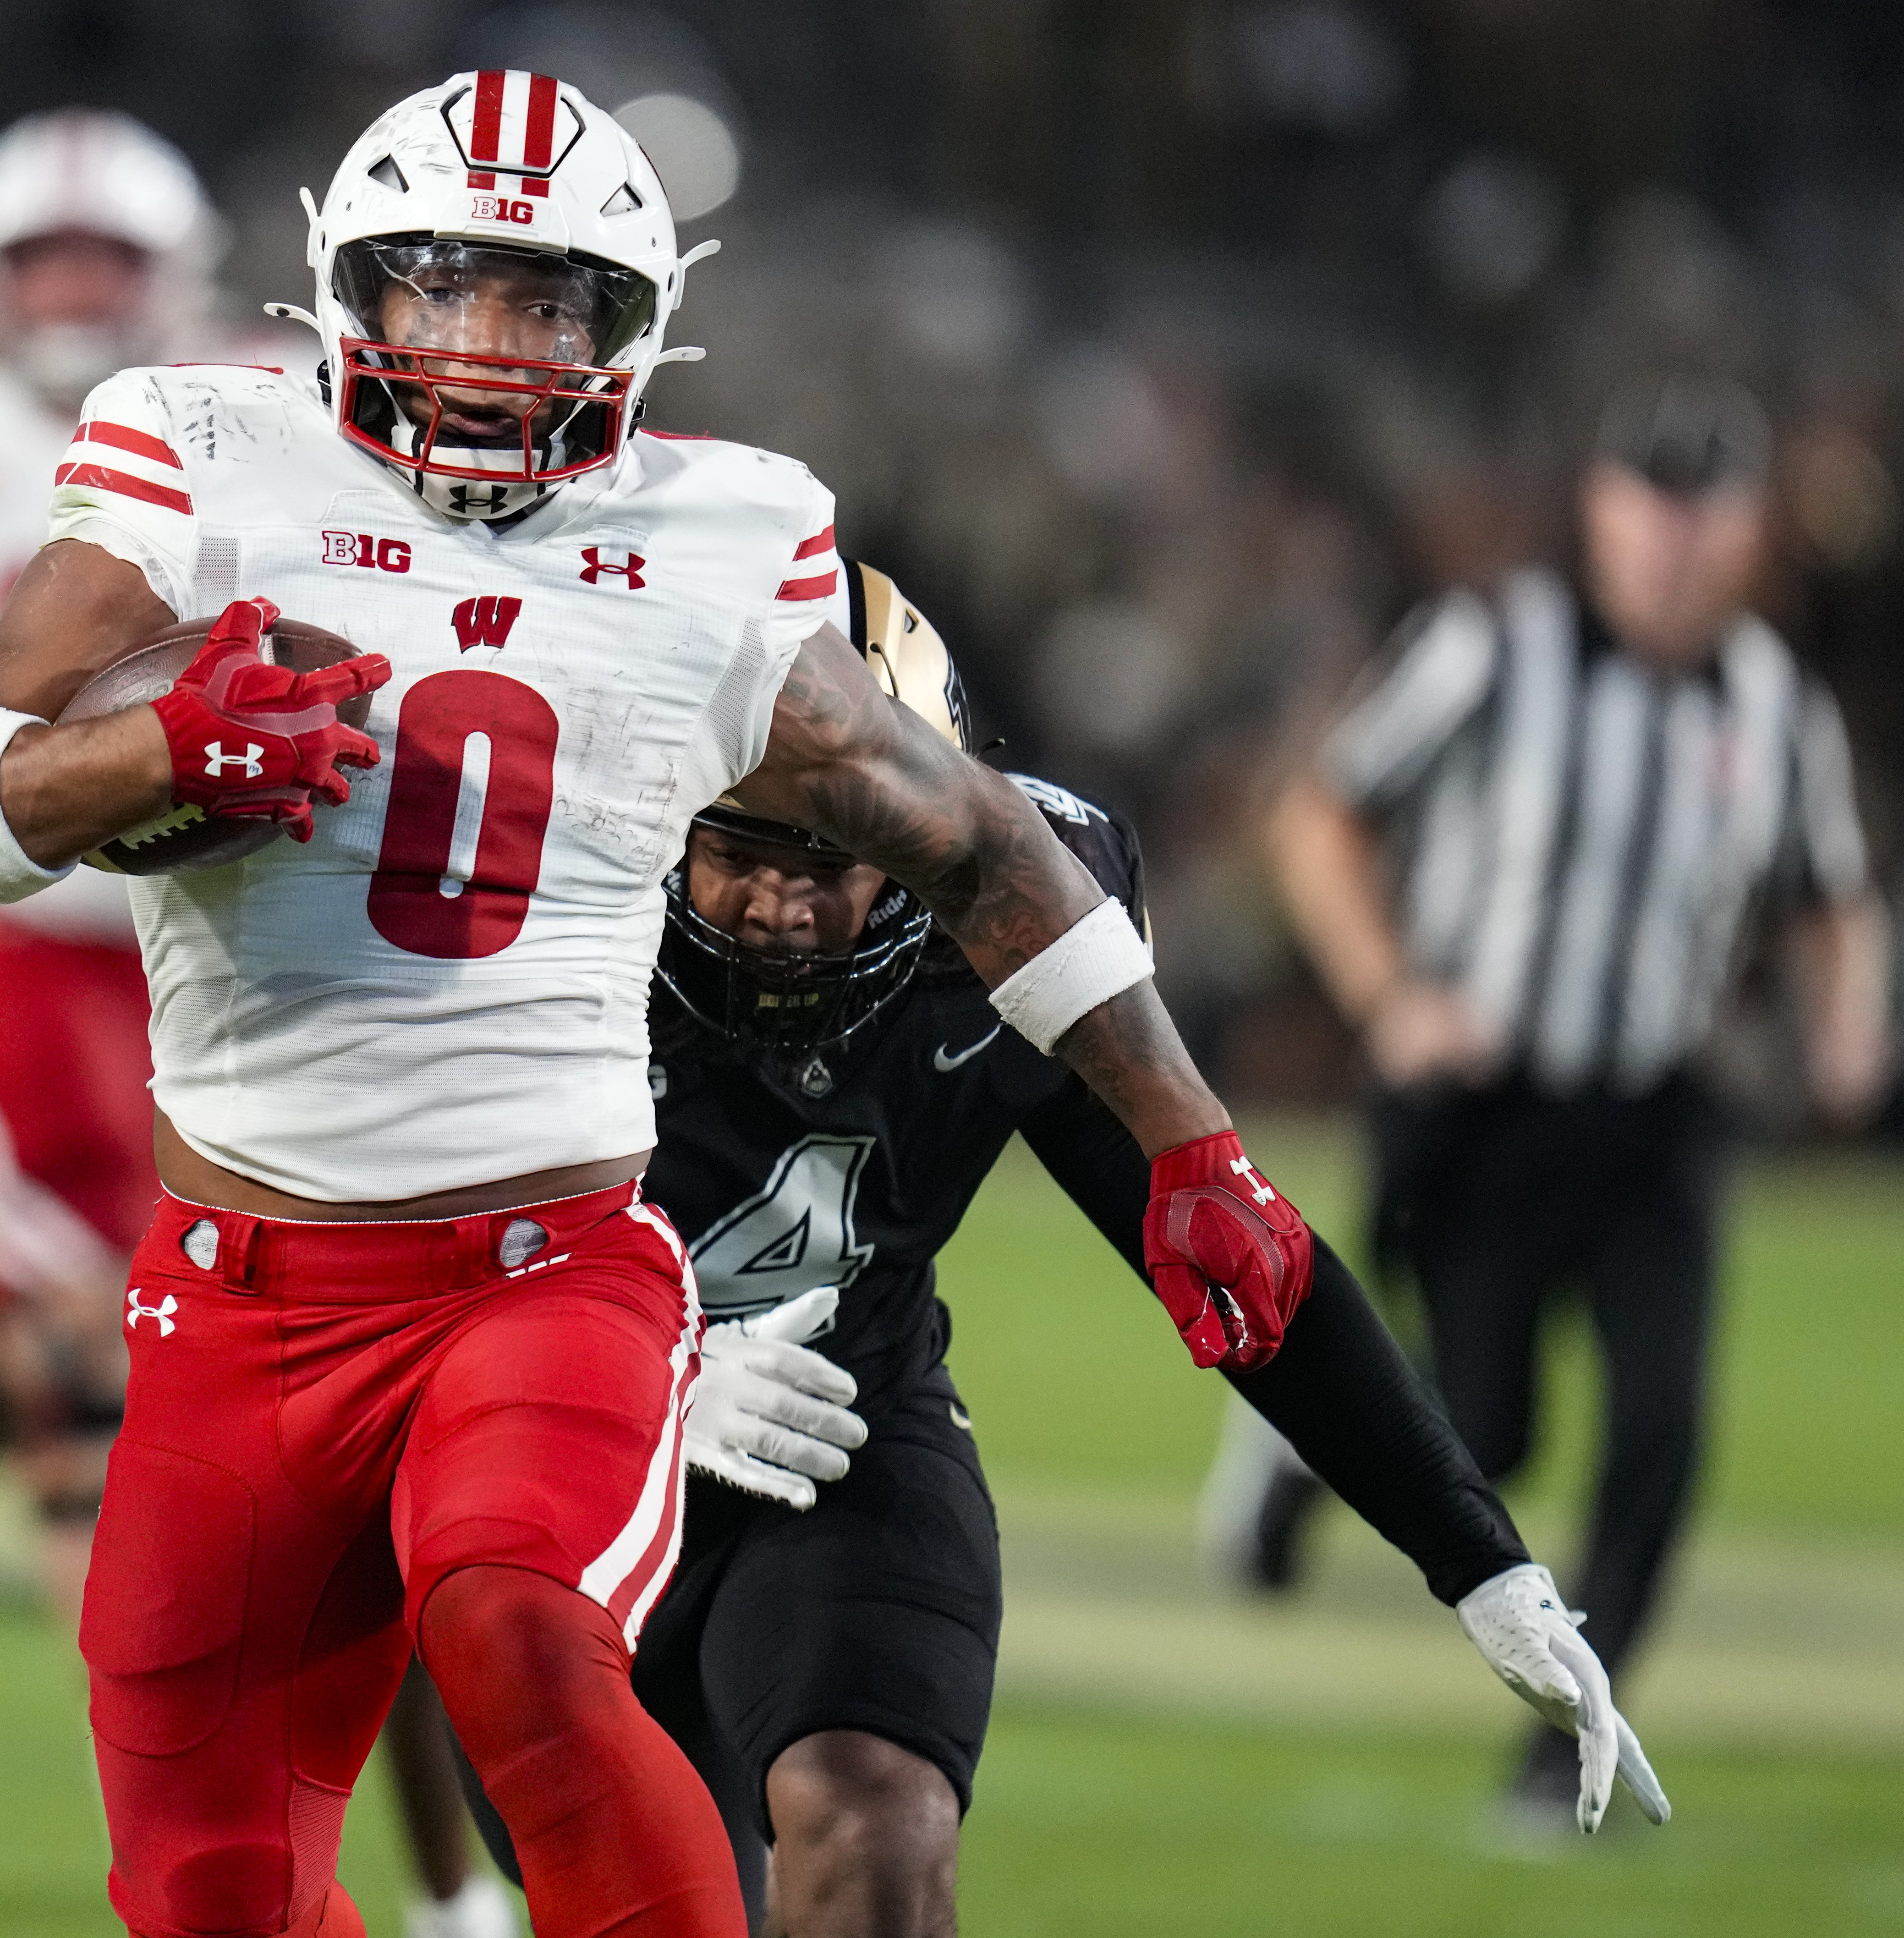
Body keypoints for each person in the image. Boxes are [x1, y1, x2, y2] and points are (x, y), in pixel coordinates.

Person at [0, 68, 1325, 1938]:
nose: (495, 346)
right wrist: (155, 748)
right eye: (450, 286)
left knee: (518, 1625)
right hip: (234, 1292)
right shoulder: (198, 463)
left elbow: (970, 842)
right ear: (349, 290)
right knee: (207, 1884)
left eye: (553, 302)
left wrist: (1191, 1143)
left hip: (538, 1273)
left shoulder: (720, 538)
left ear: (633, 328)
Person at [455, 570, 1663, 1936]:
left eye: (831, 858)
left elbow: (1221, 1238)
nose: (783, 906)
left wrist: (1480, 1557)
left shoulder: (1013, 921)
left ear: (929, 829)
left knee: (878, 1815)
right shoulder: (533, 913)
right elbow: (388, 1266)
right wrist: (647, 1376)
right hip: (555, 1454)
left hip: (847, 1433)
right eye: (739, 848)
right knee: (658, 1895)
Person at [0, 105, 515, 1938]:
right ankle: (328, 1852)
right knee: (139, 1352)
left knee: (164, 1325)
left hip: (219, 932)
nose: (78, 296)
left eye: (107, 264)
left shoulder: (273, 402)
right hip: (13, 932)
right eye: (44, 266)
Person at [1203, 372, 1888, 1827]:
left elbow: (1834, 897)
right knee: (1487, 1428)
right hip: (1484, 1099)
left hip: (1656, 1114)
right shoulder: (1492, 647)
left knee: (1662, 1435)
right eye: (1652, 504)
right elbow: (1320, 808)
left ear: (1749, 530)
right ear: (1601, 509)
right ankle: (1299, 1449)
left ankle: (1557, 1765)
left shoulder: (1773, 701)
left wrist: (1848, 1024)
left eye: (1706, 511)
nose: (1676, 542)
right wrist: (1392, 996)